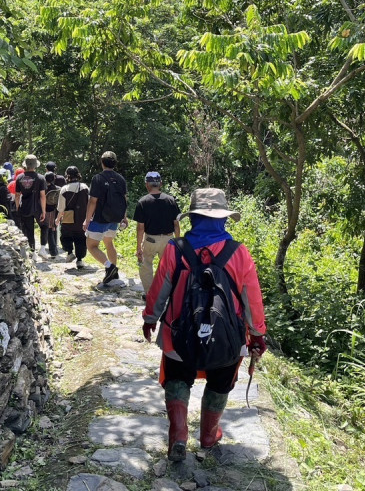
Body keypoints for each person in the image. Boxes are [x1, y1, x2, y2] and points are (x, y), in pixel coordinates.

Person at [141, 188, 267, 462]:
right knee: (220, 382)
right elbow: (252, 298)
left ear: (194, 218)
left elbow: (160, 288)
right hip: (226, 338)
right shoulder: (239, 252)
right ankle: (209, 435)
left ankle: (178, 434)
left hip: (179, 334)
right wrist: (257, 334)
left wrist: (150, 318)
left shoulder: (177, 248)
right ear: (222, 219)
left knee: (177, 378)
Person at [84, 151, 128, 285]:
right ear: (115, 163)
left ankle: (110, 267)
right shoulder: (121, 179)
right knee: (109, 243)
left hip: (100, 218)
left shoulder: (98, 178)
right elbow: (124, 200)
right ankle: (114, 275)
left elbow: (93, 201)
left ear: (102, 162)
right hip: (114, 218)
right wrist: (124, 217)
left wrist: (87, 220)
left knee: (91, 246)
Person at [134, 172, 181, 294]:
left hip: (150, 239)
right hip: (168, 239)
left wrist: (138, 246)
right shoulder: (171, 200)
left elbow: (140, 228)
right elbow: (176, 224)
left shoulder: (142, 202)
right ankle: (165, 292)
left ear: (147, 184)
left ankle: (150, 294)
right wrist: (178, 242)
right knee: (167, 267)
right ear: (160, 183)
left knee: (146, 265)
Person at [56, 166, 89, 269]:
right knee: (81, 239)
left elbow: (61, 208)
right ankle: (79, 260)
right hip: (81, 219)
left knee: (66, 237)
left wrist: (57, 219)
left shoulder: (64, 189)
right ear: (78, 175)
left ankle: (70, 253)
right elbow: (89, 203)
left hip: (68, 220)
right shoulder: (85, 187)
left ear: (67, 176)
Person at [14, 155, 46, 253]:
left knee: (29, 230)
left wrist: (17, 207)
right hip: (38, 207)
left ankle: (32, 251)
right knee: (44, 226)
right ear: (35, 165)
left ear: (26, 165)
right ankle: (43, 248)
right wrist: (44, 211)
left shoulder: (19, 177)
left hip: (25, 207)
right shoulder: (40, 178)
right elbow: (42, 196)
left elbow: (17, 195)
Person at [39, 172, 60, 258]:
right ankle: (53, 252)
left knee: (44, 230)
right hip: (52, 211)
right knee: (51, 231)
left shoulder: (43, 188)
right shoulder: (56, 188)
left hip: (43, 211)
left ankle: (45, 249)